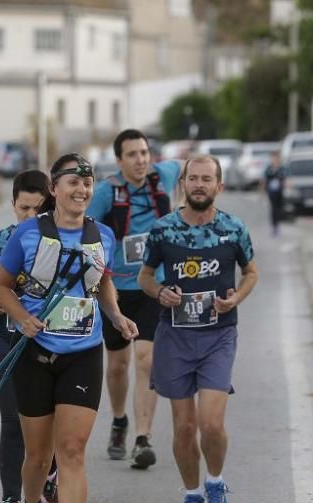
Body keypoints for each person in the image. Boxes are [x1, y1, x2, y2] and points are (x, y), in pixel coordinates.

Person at [0, 153, 138, 503]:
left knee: (72, 451)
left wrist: (115, 316)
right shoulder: (27, 233)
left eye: (87, 183)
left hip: (83, 352)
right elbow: (3, 285)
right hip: (35, 353)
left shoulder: (103, 235)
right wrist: (21, 317)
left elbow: (103, 281)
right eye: (72, 182)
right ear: (54, 189)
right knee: (38, 457)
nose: (81, 190)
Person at [137, 154, 258, 503]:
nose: (200, 184)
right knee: (184, 427)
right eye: (193, 178)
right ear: (183, 185)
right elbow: (144, 276)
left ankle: (216, 482)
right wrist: (160, 294)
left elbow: (250, 271)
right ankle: (192, 495)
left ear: (219, 186)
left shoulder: (233, 229)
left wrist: (235, 297)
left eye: (207, 179)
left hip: (218, 335)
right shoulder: (163, 230)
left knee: (211, 423)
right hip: (174, 336)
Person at [87, 128, 181, 469]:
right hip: (114, 291)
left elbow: (191, 166)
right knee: (118, 364)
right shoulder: (106, 193)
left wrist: (185, 201)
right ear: (119, 161)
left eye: (144, 153)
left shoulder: (164, 175)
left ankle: (143, 438)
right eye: (132, 154)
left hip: (151, 287)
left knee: (146, 360)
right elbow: (86, 232)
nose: (141, 160)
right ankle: (118, 419)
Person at [0, 170, 60, 503]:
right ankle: (11, 500)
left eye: (37, 209)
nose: (30, 216)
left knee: (46, 422)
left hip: (49, 341)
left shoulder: (63, 241)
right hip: (7, 338)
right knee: (12, 421)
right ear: (12, 205)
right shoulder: (3, 240)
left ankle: (50, 473)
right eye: (23, 208)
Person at [262, 151, 286, 236]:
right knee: (273, 208)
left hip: (279, 191)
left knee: (279, 208)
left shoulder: (282, 168)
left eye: (276, 158)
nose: (274, 159)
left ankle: (278, 224)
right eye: (273, 158)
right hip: (271, 191)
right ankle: (274, 226)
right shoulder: (269, 168)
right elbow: (264, 179)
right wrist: (263, 189)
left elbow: (285, 179)